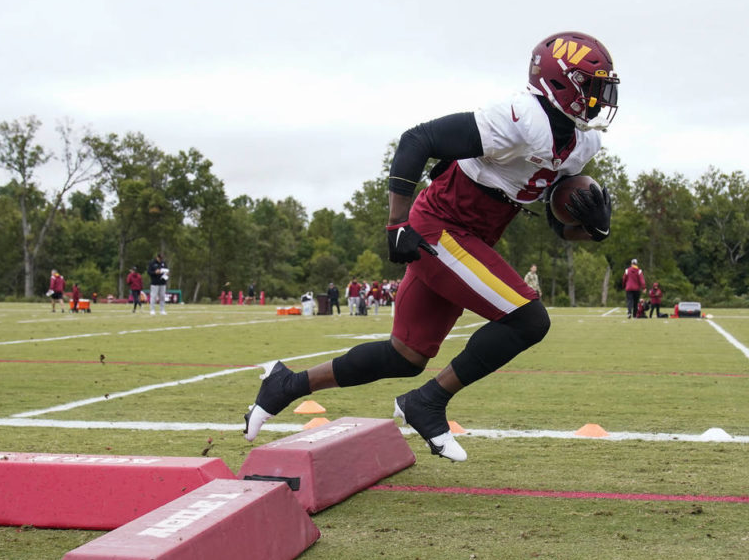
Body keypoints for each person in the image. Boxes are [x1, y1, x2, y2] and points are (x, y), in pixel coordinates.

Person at [244, 31, 618, 462]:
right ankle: (427, 402)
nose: (599, 99)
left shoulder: (580, 143)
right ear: (561, 82)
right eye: (593, 88)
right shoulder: (521, 119)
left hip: (469, 237)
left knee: (405, 355)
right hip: (440, 227)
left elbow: (559, 223)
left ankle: (286, 384)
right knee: (528, 320)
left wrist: (593, 228)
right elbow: (416, 140)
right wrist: (396, 224)